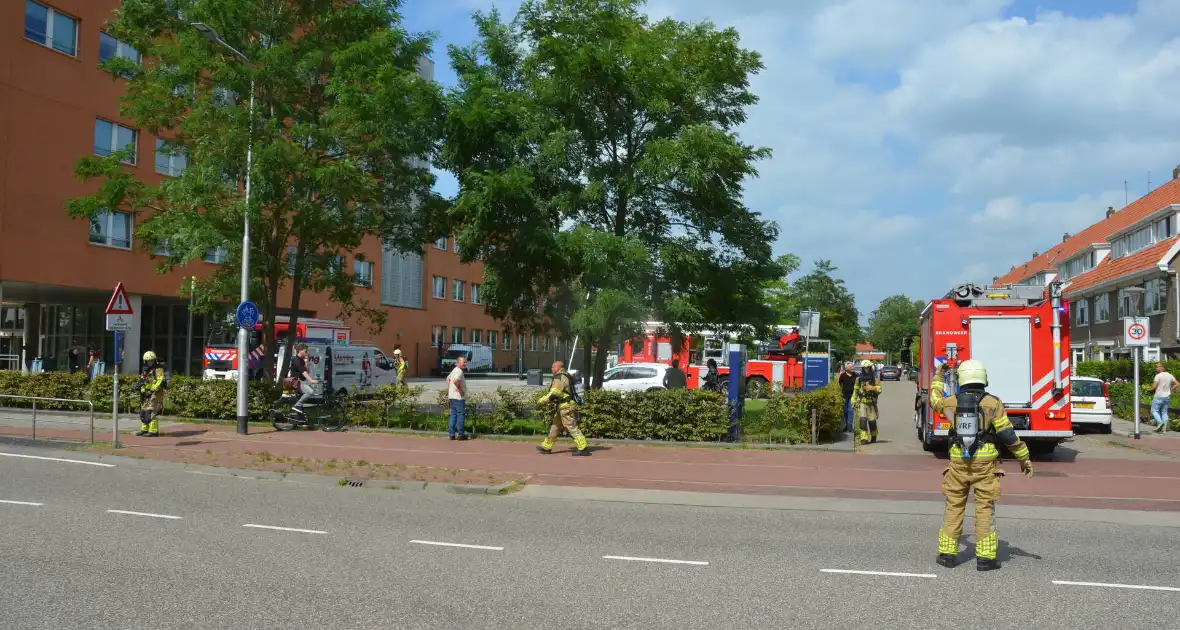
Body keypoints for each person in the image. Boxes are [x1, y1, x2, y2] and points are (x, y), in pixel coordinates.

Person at [931, 359, 1033, 571]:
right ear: (983, 379)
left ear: (962, 379)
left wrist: (939, 376)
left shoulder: (950, 402)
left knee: (954, 507)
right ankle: (985, 559)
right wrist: (1024, 458)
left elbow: (934, 399)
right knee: (984, 509)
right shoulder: (993, 403)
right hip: (985, 464)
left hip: (958, 463)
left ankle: (947, 555)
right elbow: (1007, 434)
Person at [536, 360, 590, 456]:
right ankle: (546, 446)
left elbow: (554, 394)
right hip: (563, 406)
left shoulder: (559, 377)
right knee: (555, 427)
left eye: (553, 367)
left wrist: (540, 401)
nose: (551, 369)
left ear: (557, 368)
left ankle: (583, 447)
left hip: (566, 407)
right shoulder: (566, 376)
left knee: (571, 427)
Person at [136, 351, 168, 437]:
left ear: (154, 360)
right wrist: (143, 390)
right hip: (147, 392)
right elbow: (143, 381)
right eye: (148, 361)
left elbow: (160, 380)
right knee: (144, 411)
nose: (149, 362)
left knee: (152, 411)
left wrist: (152, 390)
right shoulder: (146, 370)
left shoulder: (158, 369)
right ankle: (144, 429)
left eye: (151, 360)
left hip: (156, 392)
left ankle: (153, 431)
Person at [852, 359, 881, 444]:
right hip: (862, 402)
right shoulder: (859, 378)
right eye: (864, 368)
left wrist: (873, 388)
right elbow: (855, 390)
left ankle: (874, 435)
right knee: (863, 420)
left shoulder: (875, 377)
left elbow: (880, 389)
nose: (866, 369)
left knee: (872, 421)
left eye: (868, 367)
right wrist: (853, 401)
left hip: (871, 402)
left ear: (870, 367)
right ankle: (863, 438)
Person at [289, 343, 319, 416]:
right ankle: (297, 405)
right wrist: (311, 380)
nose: (307, 353)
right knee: (310, 392)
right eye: (305, 351)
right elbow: (303, 371)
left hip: (300, 381)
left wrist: (306, 362)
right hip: (295, 382)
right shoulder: (295, 359)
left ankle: (300, 419)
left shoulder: (301, 360)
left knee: (306, 396)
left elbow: (307, 371)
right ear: (300, 351)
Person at [1149, 363, 1175, 433]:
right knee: (1164, 412)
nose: (1156, 368)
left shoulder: (1158, 376)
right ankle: (1164, 429)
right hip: (1167, 396)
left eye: (1157, 367)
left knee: (1154, 411)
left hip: (1158, 396)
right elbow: (1178, 383)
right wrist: (1171, 389)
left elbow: (1154, 387)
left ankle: (1160, 422)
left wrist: (1149, 389)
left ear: (1162, 367)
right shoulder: (1170, 375)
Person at [447, 355, 468, 440]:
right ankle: (460, 434)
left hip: (452, 396)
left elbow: (448, 379)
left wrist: (452, 388)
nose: (465, 364)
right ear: (458, 363)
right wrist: (460, 390)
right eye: (464, 362)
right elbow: (455, 381)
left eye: (466, 362)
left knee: (453, 415)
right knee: (460, 415)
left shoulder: (454, 370)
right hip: (459, 397)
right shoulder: (459, 371)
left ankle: (451, 435)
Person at [838, 361, 856, 433]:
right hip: (844, 395)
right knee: (845, 411)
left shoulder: (855, 375)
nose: (853, 368)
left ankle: (850, 426)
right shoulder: (843, 375)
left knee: (851, 411)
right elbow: (838, 383)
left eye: (853, 367)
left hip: (852, 395)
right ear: (847, 368)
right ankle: (846, 425)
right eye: (851, 367)